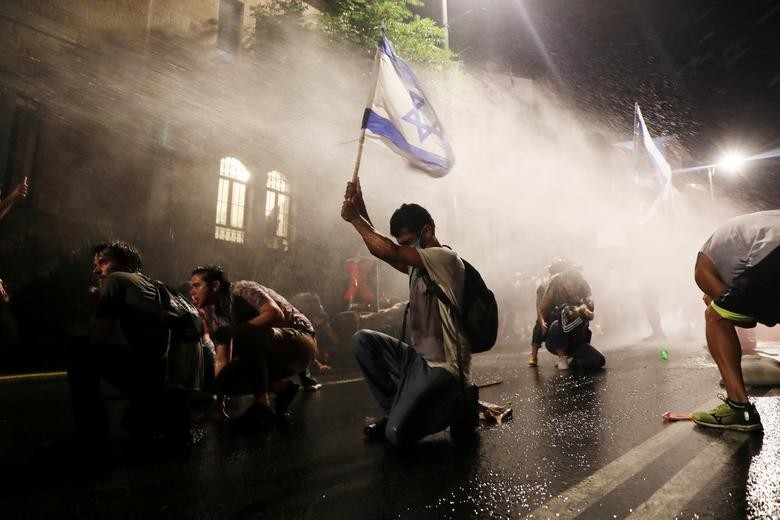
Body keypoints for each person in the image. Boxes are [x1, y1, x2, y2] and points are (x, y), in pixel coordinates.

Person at [341, 178, 475, 445]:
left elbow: (389, 250)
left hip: (444, 368)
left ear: (427, 231)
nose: (405, 247)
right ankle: (393, 411)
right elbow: (384, 251)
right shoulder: (418, 264)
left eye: (409, 242)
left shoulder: (445, 259)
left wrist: (355, 219)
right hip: (417, 360)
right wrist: (360, 206)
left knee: (397, 435)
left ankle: (459, 405)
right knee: (362, 340)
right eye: (402, 243)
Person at [66, 241, 190, 464]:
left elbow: (97, 339)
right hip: (173, 386)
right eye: (95, 264)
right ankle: (154, 414)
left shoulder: (117, 279)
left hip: (152, 380)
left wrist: (98, 306)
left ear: (124, 264)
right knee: (135, 423)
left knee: (78, 348)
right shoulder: (156, 285)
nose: (96, 270)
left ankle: (89, 436)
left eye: (103, 262)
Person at [189, 265, 317, 428]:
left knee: (243, 335)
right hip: (271, 350)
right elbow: (222, 358)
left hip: (301, 341)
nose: (192, 291)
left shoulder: (242, 290)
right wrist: (219, 401)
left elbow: (275, 313)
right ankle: (283, 388)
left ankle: (262, 406)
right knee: (225, 380)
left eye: (197, 285)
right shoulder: (213, 313)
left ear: (214, 286)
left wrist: (236, 329)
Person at [690, 211, 780, 432]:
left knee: (715, 316)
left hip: (773, 251)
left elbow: (746, 319)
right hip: (772, 250)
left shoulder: (702, 267)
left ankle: (739, 409)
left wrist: (713, 300)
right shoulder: (740, 236)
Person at [537, 266, 605, 370]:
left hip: (577, 338)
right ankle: (562, 358)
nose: (572, 289)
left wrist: (586, 313)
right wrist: (542, 323)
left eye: (574, 287)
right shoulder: (556, 283)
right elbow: (542, 308)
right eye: (569, 287)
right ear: (564, 282)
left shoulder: (585, 288)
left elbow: (590, 310)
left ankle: (573, 360)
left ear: (579, 284)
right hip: (556, 338)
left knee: (598, 360)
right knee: (557, 325)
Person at [528, 259, 574, 367]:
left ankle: (564, 355)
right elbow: (539, 307)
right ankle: (534, 355)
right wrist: (542, 321)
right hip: (548, 314)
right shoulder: (543, 286)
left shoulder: (565, 284)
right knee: (539, 325)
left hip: (560, 313)